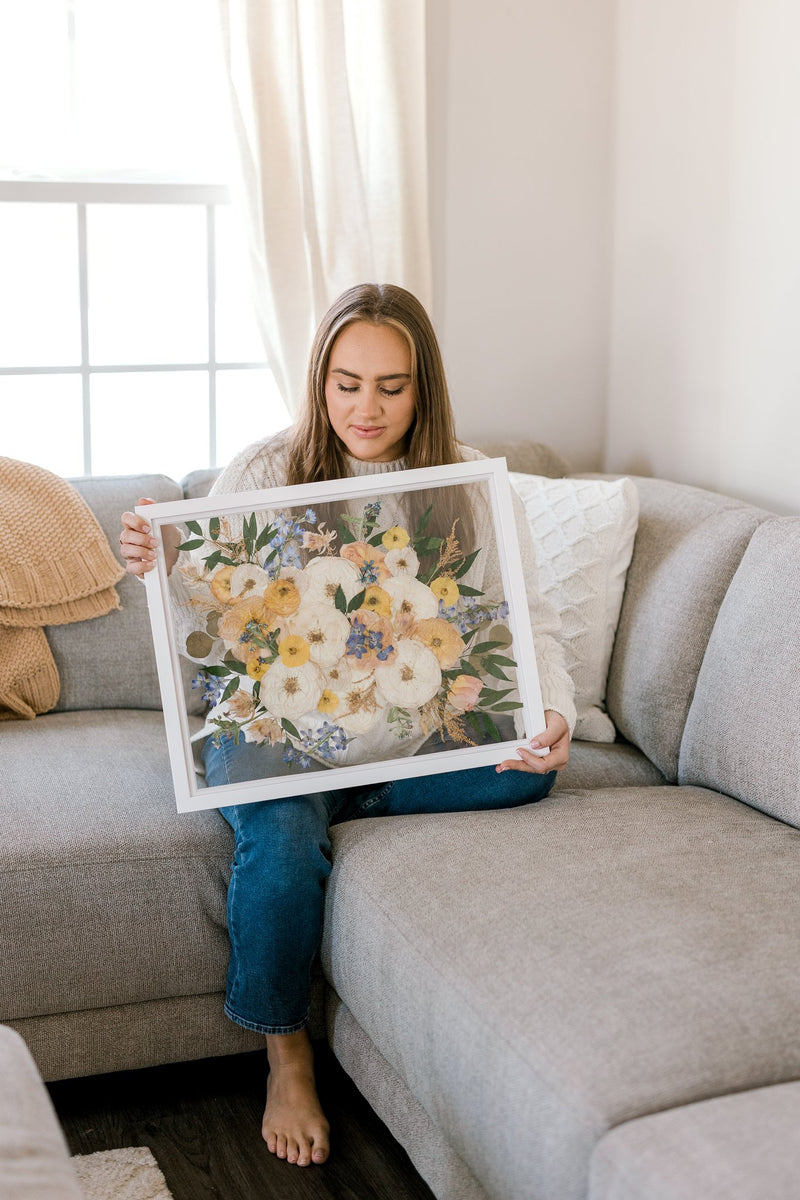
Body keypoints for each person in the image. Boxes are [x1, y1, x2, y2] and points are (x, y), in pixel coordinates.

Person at [120, 283, 576, 1168]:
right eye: (347, 382)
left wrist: (550, 709)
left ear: (425, 389)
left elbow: (531, 618)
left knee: (530, 767)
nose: (367, 408)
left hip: (398, 726)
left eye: (392, 386)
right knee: (285, 838)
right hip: (272, 722)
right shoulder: (263, 469)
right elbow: (206, 637)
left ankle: (333, 796)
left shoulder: (468, 480)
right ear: (319, 380)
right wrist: (167, 568)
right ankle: (285, 1051)